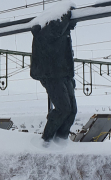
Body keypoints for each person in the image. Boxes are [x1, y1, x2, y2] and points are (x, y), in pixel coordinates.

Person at [30, 10, 77, 142]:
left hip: (64, 74)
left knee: (72, 110)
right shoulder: (44, 31)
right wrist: (66, 17)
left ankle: (61, 141)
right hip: (51, 74)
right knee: (63, 109)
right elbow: (56, 31)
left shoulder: (62, 31)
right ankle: (46, 140)